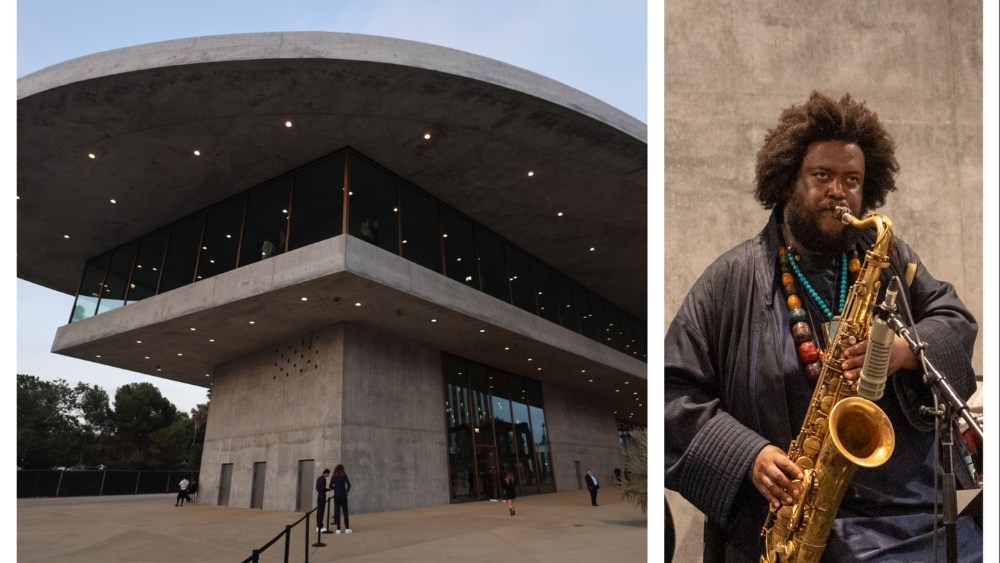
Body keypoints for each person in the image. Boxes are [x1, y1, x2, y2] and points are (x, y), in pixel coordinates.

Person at [664, 91, 982, 562]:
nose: (839, 191)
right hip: (791, 519)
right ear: (788, 180)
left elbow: (954, 319)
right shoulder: (729, 279)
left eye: (853, 180)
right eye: (822, 176)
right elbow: (672, 393)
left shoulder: (890, 257)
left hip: (910, 512)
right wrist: (747, 454)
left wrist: (904, 349)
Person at [330, 464, 352, 534]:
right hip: (343, 495)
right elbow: (349, 485)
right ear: (342, 469)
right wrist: (346, 491)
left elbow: (330, 486)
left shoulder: (334, 476)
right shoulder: (344, 475)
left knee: (337, 512)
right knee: (345, 512)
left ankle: (338, 529)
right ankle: (347, 529)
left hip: (336, 495)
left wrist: (335, 488)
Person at [315, 468, 330, 533]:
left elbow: (317, 488)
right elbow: (322, 489)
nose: (328, 475)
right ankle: (320, 526)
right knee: (321, 511)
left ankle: (319, 526)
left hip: (319, 496)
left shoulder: (319, 478)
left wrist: (326, 489)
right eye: (328, 474)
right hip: (322, 496)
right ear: (326, 473)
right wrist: (328, 489)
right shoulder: (323, 479)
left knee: (319, 511)